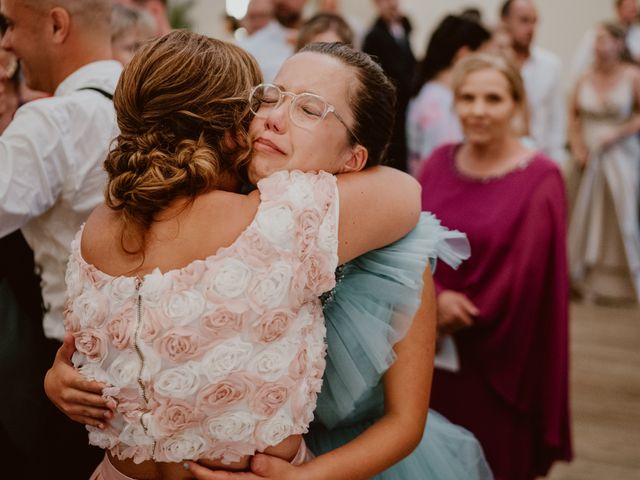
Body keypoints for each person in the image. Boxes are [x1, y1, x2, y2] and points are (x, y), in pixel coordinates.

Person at [46, 40, 491, 480]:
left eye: (310, 109)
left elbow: (405, 422)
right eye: (271, 96)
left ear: (355, 158)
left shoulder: (392, 254)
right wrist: (63, 375)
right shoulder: (215, 210)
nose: (274, 118)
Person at [419, 53, 572, 480]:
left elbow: (530, 274)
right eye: (467, 98)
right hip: (428, 343)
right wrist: (435, 298)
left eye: (493, 98)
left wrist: (462, 311)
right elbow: (412, 245)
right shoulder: (436, 163)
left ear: (517, 106)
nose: (478, 110)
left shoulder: (541, 176)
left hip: (501, 353)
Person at [0, 0, 121, 477]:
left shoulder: (52, 122)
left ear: (56, 24)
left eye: (9, 25)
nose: (5, 42)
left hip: (70, 376)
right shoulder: (157, 100)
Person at [568, 22, 640, 304]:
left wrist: (616, 134)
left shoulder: (632, 75)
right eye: (595, 40)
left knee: (621, 215)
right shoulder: (584, 78)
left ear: (618, 44)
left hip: (621, 154)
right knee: (582, 213)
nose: (598, 46)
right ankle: (583, 277)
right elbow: (572, 115)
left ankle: (622, 279)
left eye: (604, 39)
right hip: (588, 156)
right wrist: (577, 146)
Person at [406, 14, 491, 177]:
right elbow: (444, 167)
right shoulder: (438, 102)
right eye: (483, 57)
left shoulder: (436, 93)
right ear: (464, 55)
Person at [500, 0, 566, 165]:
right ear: (505, 21)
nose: (531, 29)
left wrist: (555, 162)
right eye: (524, 20)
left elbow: (556, 119)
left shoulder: (550, 65)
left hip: (538, 157)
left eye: (534, 21)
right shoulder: (492, 64)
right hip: (498, 160)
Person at [363, 0, 416, 171]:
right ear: (377, 4)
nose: (393, 4)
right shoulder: (374, 35)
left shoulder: (402, 29)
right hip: (392, 103)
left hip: (406, 101)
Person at [572, 0, 640, 83]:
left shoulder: (638, 35)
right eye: (629, 9)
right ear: (618, 9)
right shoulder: (598, 33)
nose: (633, 13)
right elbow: (580, 62)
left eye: (634, 10)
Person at [238, 0, 306, 82]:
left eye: (262, 16)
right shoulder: (249, 46)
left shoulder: (312, 35)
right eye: (252, 17)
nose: (256, 23)